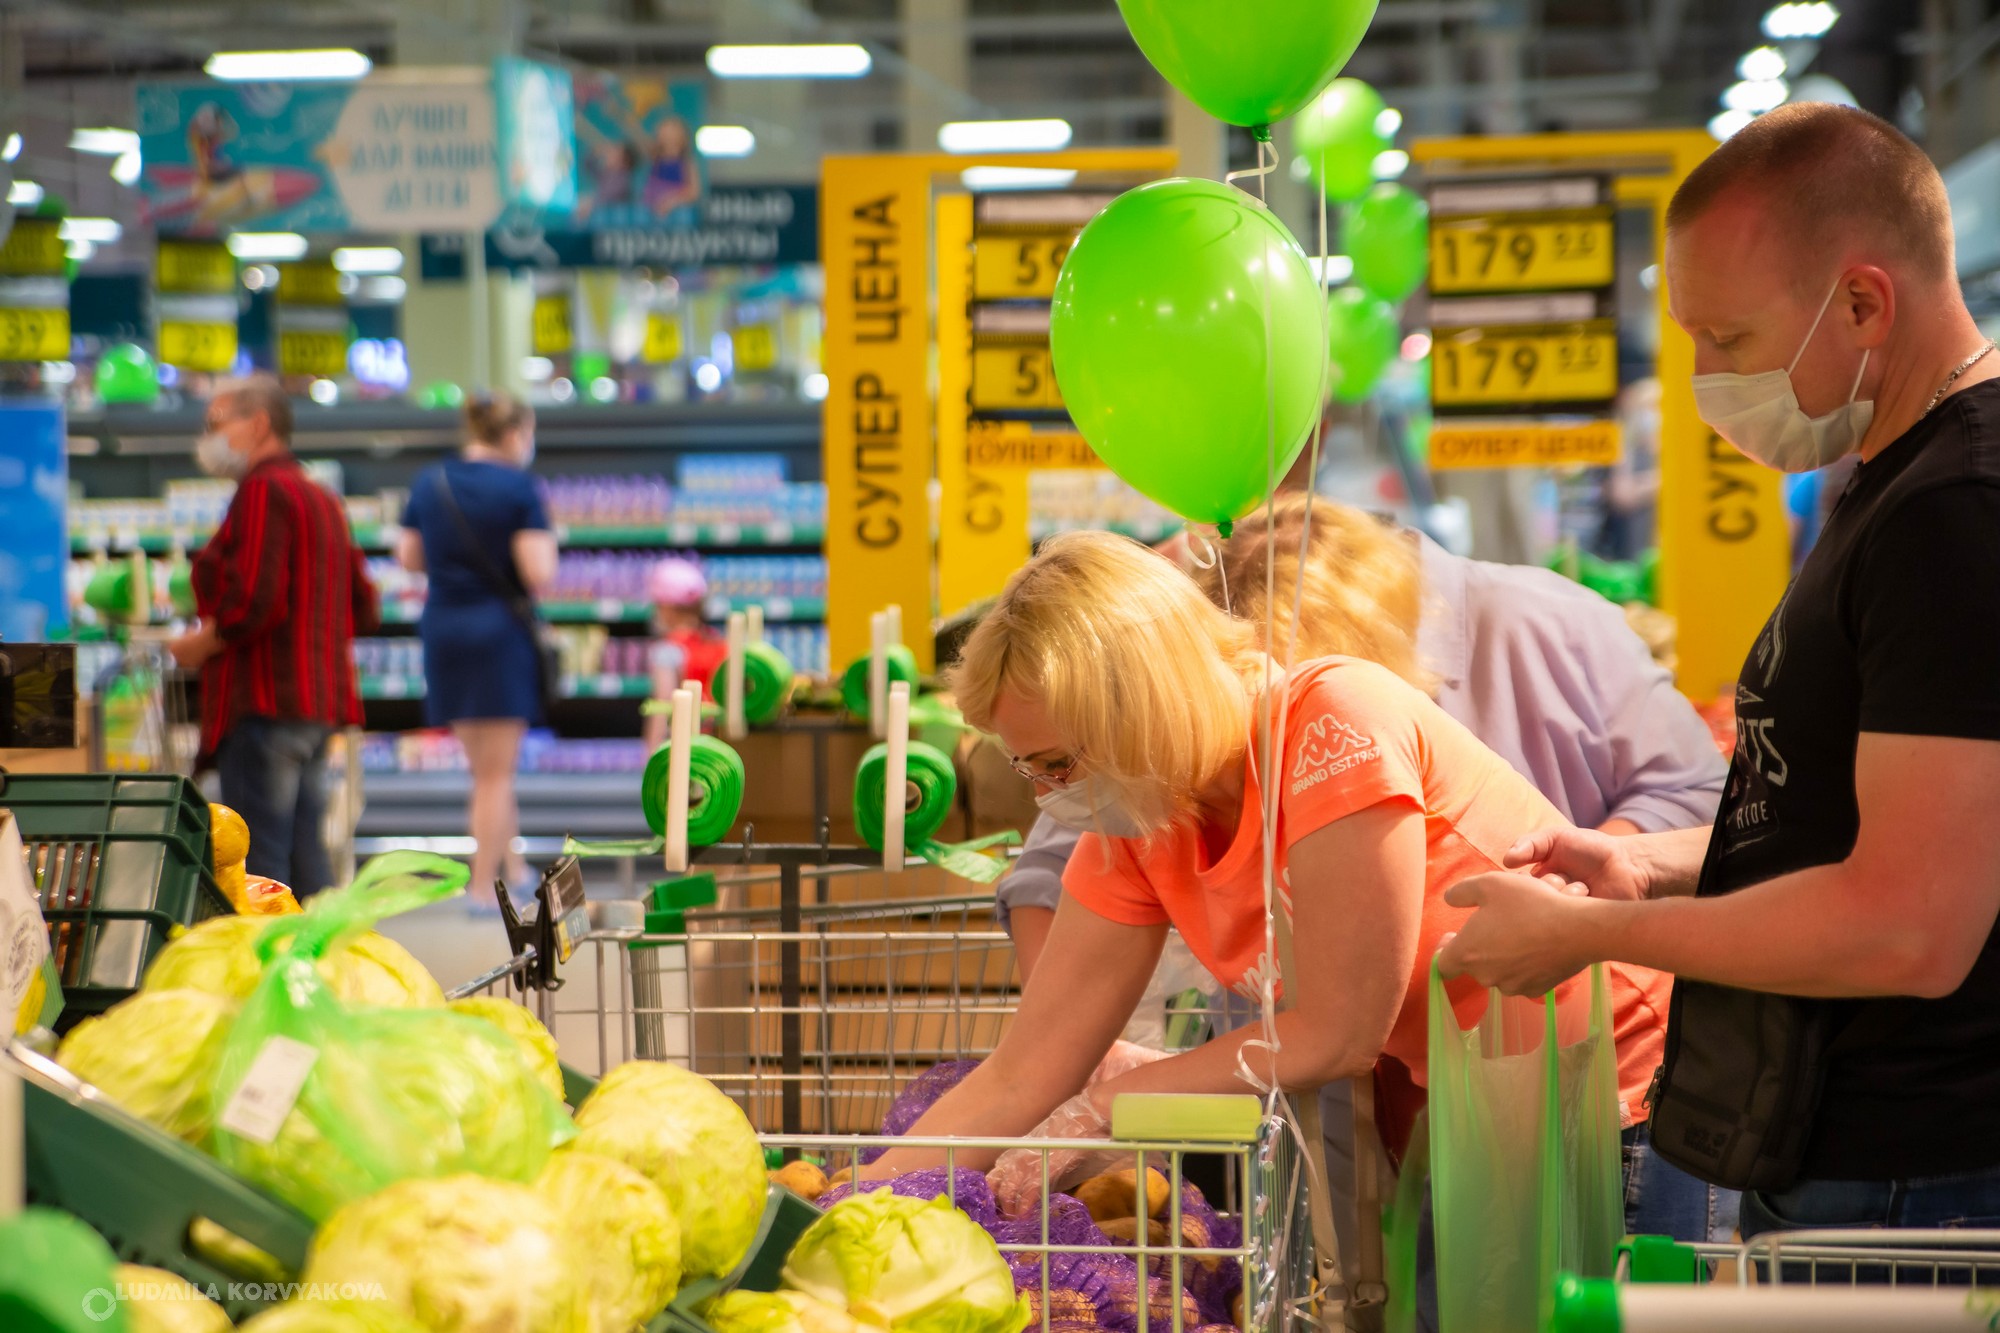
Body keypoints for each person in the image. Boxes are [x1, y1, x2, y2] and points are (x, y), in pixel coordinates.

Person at [1438, 103, 2000, 1237]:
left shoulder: (1955, 512)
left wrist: (1591, 935)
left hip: (1920, 1173)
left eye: (1729, 342)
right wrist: (1646, 868)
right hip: (1843, 1143)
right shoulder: (1890, 479)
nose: (1703, 381)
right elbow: (1848, 820)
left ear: (1859, 301)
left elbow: (1907, 924)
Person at [870, 532, 1690, 1240]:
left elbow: (1338, 1029)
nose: (1051, 795)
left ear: (1140, 709)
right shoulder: (1144, 819)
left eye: (1059, 762)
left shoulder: (1335, 722)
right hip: (1484, 1121)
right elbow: (1024, 1071)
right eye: (1028, 770)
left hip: (1627, 1105)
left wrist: (1114, 1101)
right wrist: (859, 1201)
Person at [168, 376, 375, 898]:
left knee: (259, 868)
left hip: (264, 702)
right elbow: (365, 605)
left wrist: (201, 643)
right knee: (307, 860)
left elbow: (254, 601)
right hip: (316, 705)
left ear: (257, 424)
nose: (208, 436)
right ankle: (326, 967)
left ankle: (270, 974)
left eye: (216, 422)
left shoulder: (263, 490)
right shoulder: (319, 495)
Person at [396, 392, 558, 910]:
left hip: (445, 627)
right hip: (498, 633)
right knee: (496, 773)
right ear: (514, 434)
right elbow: (538, 572)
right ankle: (483, 884)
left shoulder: (431, 481)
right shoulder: (518, 487)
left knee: (484, 768)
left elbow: (408, 556)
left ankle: (513, 866)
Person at [642, 556, 726, 749]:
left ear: (667, 608)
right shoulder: (718, 643)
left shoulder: (667, 651)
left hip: (687, 750)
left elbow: (662, 709)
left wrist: (651, 756)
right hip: (719, 747)